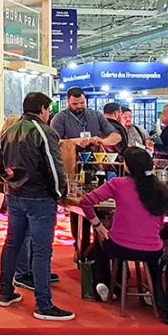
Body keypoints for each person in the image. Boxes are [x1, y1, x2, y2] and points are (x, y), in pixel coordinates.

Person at [0, 92, 73, 321]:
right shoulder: (44, 132)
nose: (49, 114)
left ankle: (5, 293)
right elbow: (54, 166)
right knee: (41, 251)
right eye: (48, 109)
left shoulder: (9, 131)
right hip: (39, 198)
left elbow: (0, 164)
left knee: (12, 244)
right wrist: (60, 194)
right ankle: (43, 304)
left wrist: (11, 184)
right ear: (42, 109)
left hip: (15, 196)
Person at [80, 147, 168, 303]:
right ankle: (155, 291)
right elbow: (160, 224)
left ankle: (103, 281)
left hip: (120, 246)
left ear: (128, 166)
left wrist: (98, 225)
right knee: (150, 246)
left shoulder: (118, 183)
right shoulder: (161, 190)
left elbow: (86, 202)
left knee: (102, 237)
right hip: (153, 250)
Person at [50, 87, 122, 260]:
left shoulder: (95, 115)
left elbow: (117, 136)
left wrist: (102, 140)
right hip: (73, 168)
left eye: (82, 102)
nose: (79, 106)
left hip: (97, 167)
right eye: (75, 104)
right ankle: (80, 247)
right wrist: (74, 142)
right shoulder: (60, 118)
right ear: (68, 102)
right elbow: (54, 141)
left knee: (101, 207)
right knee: (78, 209)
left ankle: (99, 248)